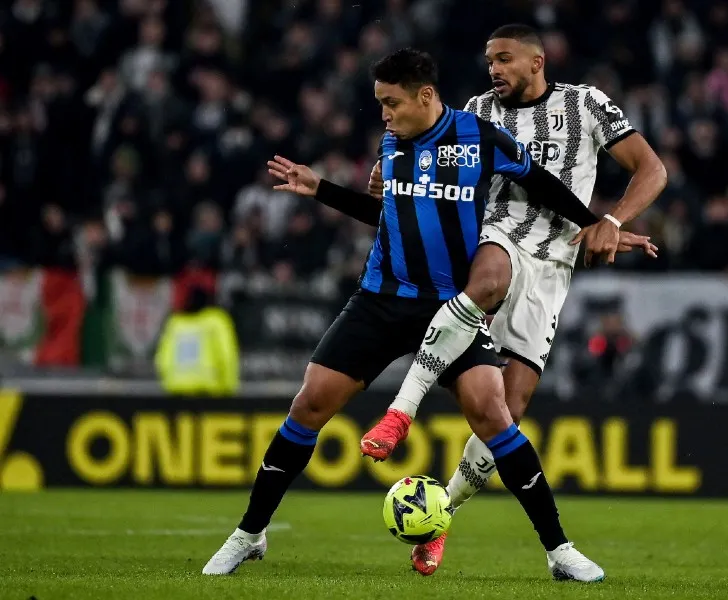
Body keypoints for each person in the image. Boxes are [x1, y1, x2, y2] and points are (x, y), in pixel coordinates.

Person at [202, 48, 607, 582]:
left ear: (425, 96)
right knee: (309, 403)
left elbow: (540, 183)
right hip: (380, 299)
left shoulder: (478, 137)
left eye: (391, 103)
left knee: (493, 414)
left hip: (451, 308)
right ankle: (248, 535)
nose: (384, 115)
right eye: (379, 104)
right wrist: (319, 188)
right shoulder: (391, 143)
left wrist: (598, 222)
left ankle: (559, 550)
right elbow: (391, 213)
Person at [361, 24, 668, 575]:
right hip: (497, 232)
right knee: (486, 281)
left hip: (555, 266)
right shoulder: (477, 109)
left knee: (508, 410)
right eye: (488, 62)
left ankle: (440, 517)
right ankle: (400, 412)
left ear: (536, 61)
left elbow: (653, 168)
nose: (493, 70)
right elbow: (419, 141)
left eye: (504, 59)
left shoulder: (586, 105)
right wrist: (389, 166)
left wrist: (613, 221)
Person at [154, 286, 240, 397]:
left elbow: (162, 360)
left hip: (177, 390)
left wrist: (167, 383)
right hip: (209, 390)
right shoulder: (216, 321)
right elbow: (227, 356)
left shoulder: (175, 324)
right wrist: (229, 388)